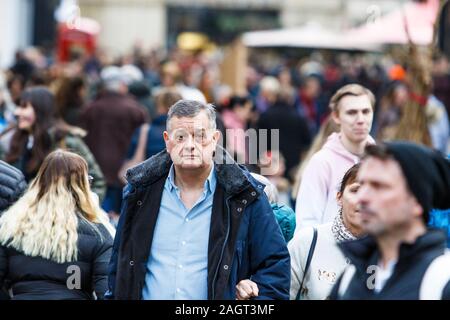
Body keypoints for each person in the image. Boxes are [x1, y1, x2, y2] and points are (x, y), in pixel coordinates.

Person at [106, 100, 290, 300]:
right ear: (167, 141)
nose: (190, 145)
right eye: (181, 137)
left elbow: (275, 267)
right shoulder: (140, 192)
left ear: (215, 139)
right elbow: (119, 268)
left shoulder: (244, 195)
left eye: (200, 136)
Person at [330, 142, 450, 300]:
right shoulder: (351, 276)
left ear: (416, 202)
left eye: (379, 186)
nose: (362, 197)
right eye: (362, 184)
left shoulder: (442, 279)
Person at [0, 150, 114, 299]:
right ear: (82, 186)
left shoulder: (11, 227)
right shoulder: (98, 232)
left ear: (39, 181)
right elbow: (107, 291)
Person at [0, 86, 106, 200]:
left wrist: (78, 210)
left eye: (24, 107)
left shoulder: (67, 142)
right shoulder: (9, 139)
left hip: (56, 215)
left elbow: (97, 181)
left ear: (40, 110)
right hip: (17, 214)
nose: (17, 112)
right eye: (18, 107)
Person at [295, 84, 375, 229]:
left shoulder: (383, 161)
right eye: (351, 112)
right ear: (336, 116)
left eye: (366, 111)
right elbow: (306, 224)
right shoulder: (321, 162)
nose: (360, 119)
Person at [289, 164, 364, 300]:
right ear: (339, 197)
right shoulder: (309, 240)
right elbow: (278, 294)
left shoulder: (394, 250)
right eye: (355, 190)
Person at [80, 66, 147, 214]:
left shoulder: (91, 108)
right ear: (122, 87)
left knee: (97, 212)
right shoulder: (136, 110)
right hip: (125, 171)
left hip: (95, 169)